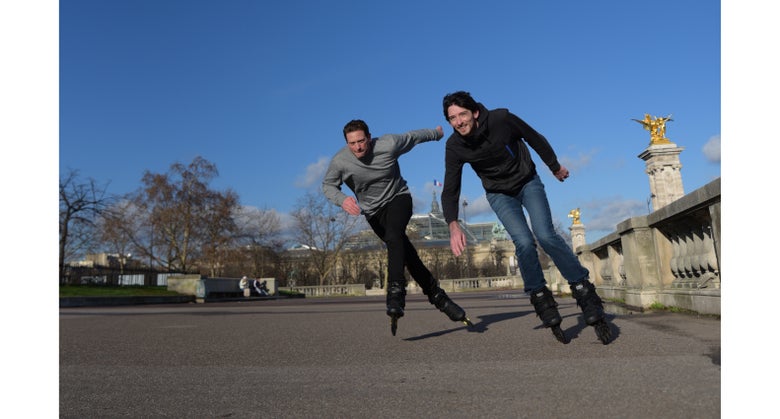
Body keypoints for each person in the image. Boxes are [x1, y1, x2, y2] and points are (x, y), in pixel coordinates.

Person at [439, 91, 611, 344]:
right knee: (522, 241)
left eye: (462, 115)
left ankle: (582, 287)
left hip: (527, 182)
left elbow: (534, 138)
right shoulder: (454, 146)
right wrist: (452, 224)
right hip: (499, 194)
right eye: (452, 118)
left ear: (474, 112)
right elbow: (451, 187)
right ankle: (540, 295)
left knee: (545, 234)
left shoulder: (501, 119)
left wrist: (554, 166)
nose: (458, 122)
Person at [323, 119, 471, 334]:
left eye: (362, 141)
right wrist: (342, 199)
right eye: (352, 143)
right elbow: (328, 185)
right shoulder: (340, 161)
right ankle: (439, 298)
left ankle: (395, 293)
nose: (358, 147)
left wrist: (436, 133)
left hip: (398, 198)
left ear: (370, 137)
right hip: (373, 213)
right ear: (347, 143)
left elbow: (412, 137)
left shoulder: (388, 144)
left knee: (394, 236)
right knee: (405, 251)